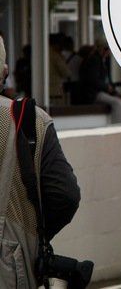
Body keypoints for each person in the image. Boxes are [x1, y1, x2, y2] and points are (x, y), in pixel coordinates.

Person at [1, 38, 83, 289]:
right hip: (10, 264)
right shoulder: (29, 120)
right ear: (5, 73)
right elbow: (65, 196)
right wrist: (32, 233)